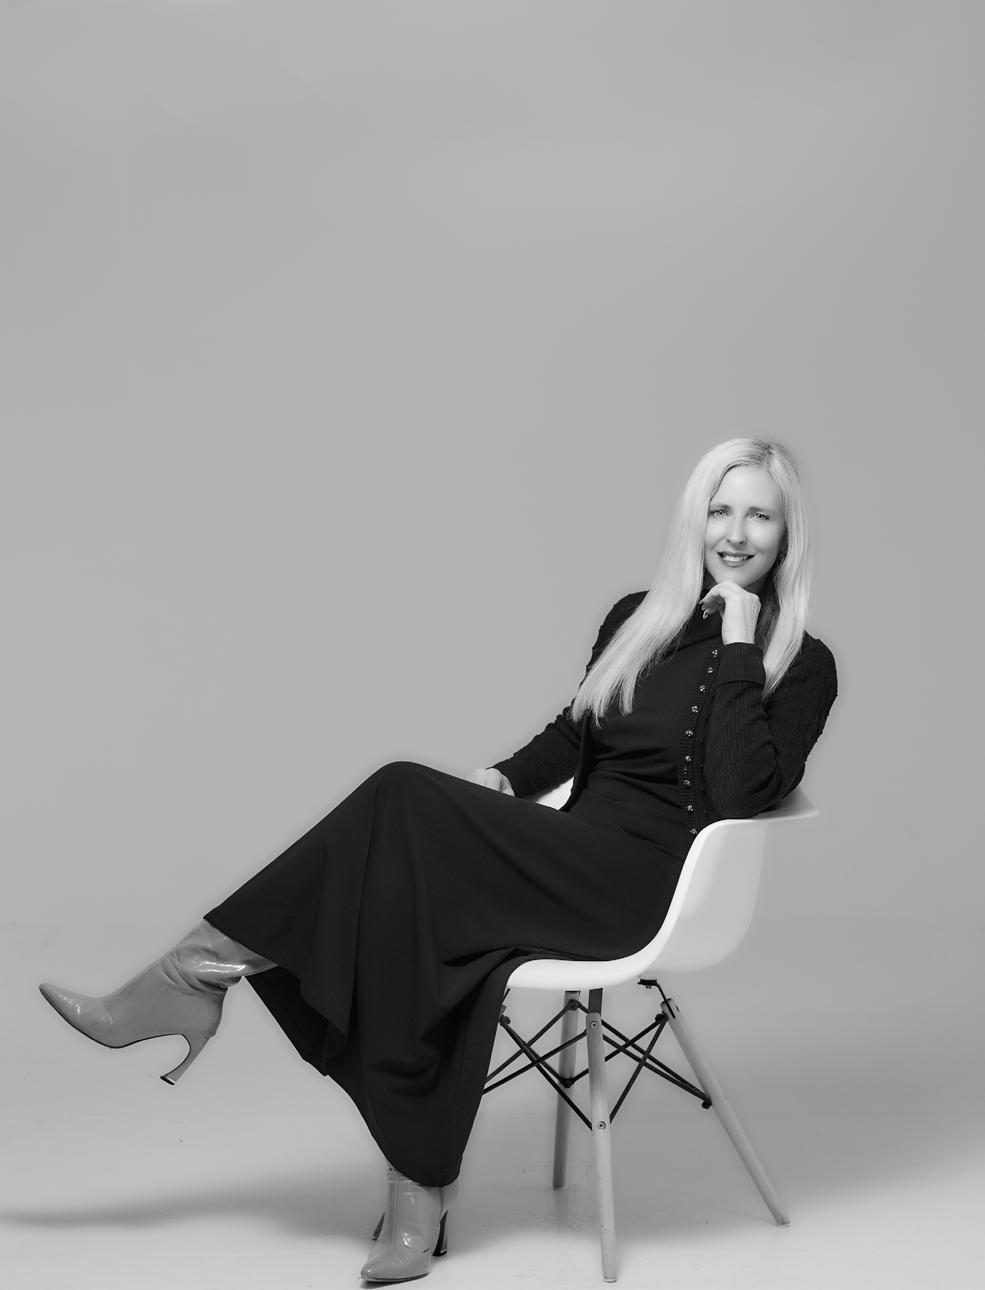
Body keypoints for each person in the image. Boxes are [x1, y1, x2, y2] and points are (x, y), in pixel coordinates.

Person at [39, 438, 838, 1284]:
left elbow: (741, 789)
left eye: (758, 515)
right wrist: (503, 779)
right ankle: (416, 1183)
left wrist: (741, 642)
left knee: (399, 796)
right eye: (719, 510)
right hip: (565, 855)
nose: (735, 533)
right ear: (694, 520)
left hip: (643, 889)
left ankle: (197, 976)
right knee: (407, 902)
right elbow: (572, 736)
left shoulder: (801, 664)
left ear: (786, 533)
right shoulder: (636, 618)